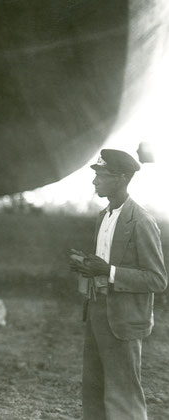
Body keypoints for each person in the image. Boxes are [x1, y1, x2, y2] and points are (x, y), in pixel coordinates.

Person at [69, 149, 167, 420]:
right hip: (98, 311)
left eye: (102, 175)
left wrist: (108, 271)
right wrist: (88, 266)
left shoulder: (141, 221)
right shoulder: (105, 215)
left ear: (122, 178)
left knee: (123, 396)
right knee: (94, 390)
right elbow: (106, 264)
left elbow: (157, 279)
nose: (94, 181)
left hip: (123, 321)